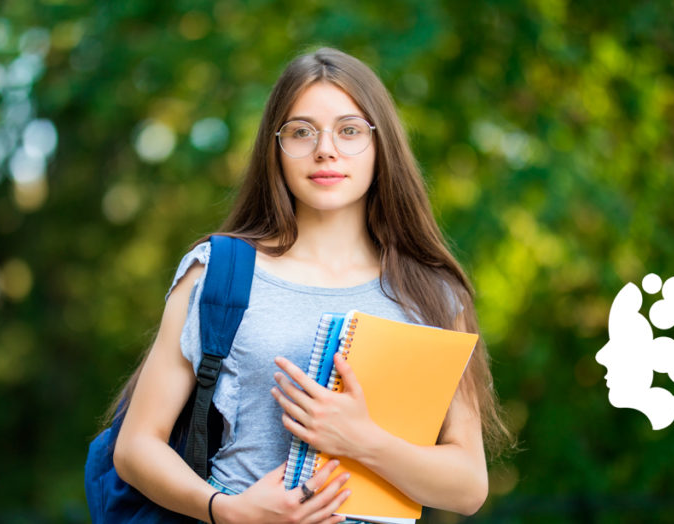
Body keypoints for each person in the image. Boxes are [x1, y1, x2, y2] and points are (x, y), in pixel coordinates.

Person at [112, 47, 511, 523]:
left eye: (349, 130)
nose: (326, 148)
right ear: (274, 149)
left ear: (380, 145)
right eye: (301, 132)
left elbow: (468, 487)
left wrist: (361, 440)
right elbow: (135, 447)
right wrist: (230, 512)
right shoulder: (216, 272)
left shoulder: (433, 293)